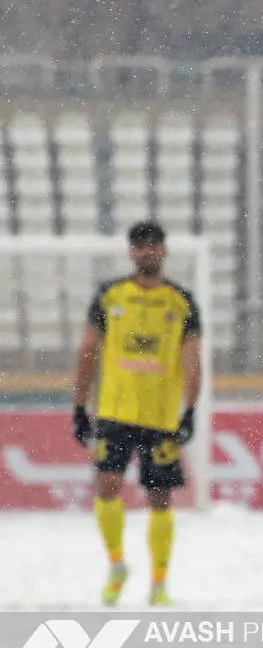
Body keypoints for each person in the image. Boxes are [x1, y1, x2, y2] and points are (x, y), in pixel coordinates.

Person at [71, 220, 202, 607]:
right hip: (114, 411)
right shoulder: (110, 297)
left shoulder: (181, 302)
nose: (148, 251)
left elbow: (192, 359)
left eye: (154, 245)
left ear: (164, 250)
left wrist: (190, 409)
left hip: (160, 417)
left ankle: (159, 584)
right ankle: (116, 564)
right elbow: (88, 352)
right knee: (106, 487)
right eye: (140, 246)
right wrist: (80, 406)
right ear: (131, 252)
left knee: (160, 498)